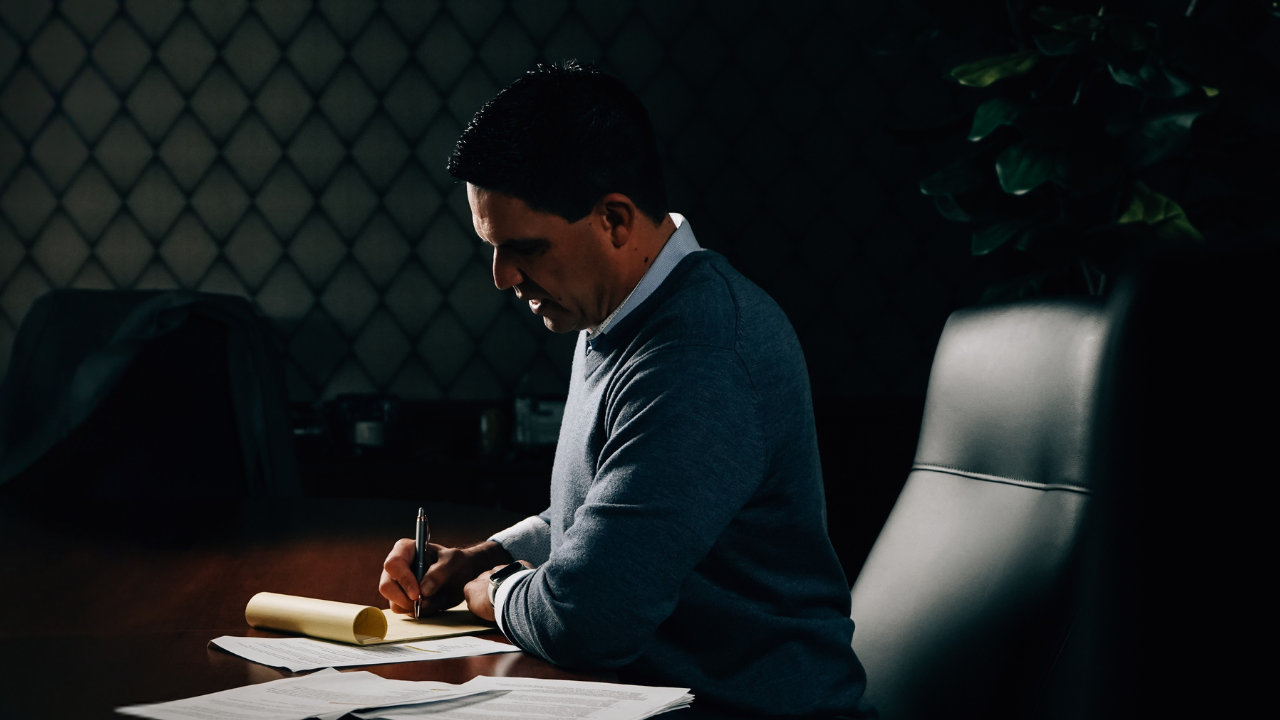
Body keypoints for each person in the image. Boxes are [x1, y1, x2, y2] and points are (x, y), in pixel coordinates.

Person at [379, 62, 869, 717]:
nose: (502, 277)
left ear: (614, 220)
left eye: (523, 247)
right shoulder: (616, 307)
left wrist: (492, 590)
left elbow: (588, 617)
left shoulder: (702, 353)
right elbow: (623, 513)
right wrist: (488, 555)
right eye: (490, 248)